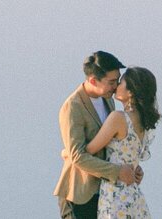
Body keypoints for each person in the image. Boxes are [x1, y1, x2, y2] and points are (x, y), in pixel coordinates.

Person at [55, 51, 142, 219]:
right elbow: (78, 157)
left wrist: (132, 168)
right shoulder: (72, 107)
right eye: (111, 82)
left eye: (117, 80)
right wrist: (117, 171)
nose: (116, 86)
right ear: (93, 80)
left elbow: (110, 144)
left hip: (104, 194)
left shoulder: (107, 99)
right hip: (79, 194)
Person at [85, 67, 160, 219]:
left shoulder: (118, 118)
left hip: (115, 196)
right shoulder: (144, 124)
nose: (116, 86)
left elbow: (88, 150)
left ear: (131, 92)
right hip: (133, 196)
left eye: (121, 82)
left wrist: (66, 153)